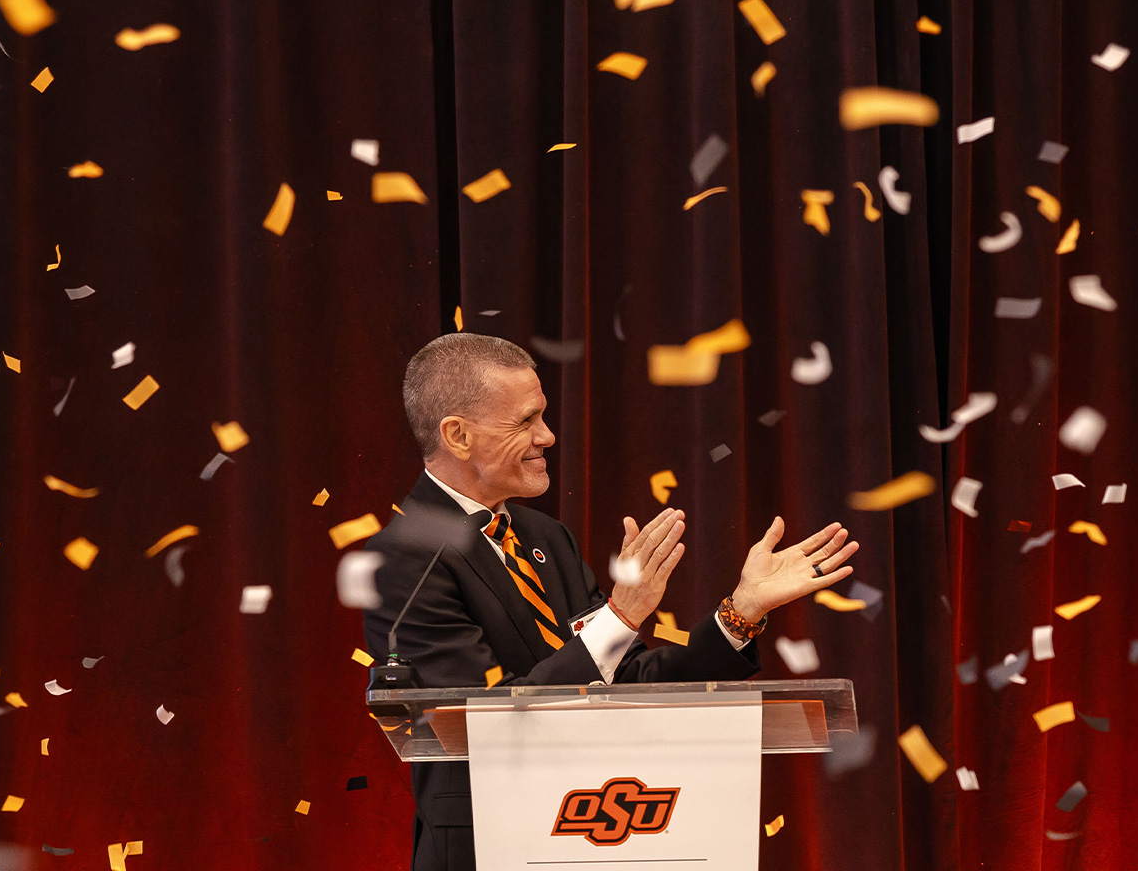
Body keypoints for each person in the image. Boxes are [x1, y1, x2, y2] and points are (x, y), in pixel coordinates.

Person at [361, 333, 859, 871]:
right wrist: (620, 616)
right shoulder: (404, 559)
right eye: (525, 421)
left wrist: (742, 611)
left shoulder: (545, 536)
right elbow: (483, 719)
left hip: (604, 833)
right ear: (458, 435)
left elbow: (626, 678)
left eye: (543, 417)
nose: (546, 436)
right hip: (490, 846)